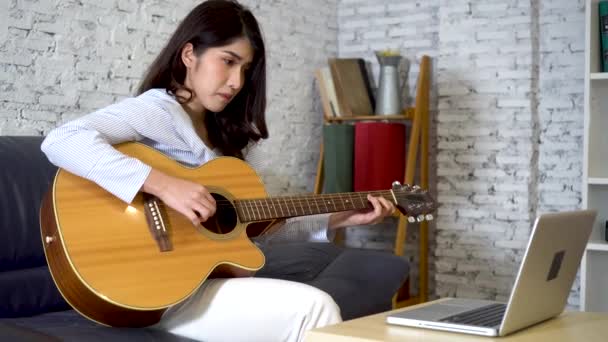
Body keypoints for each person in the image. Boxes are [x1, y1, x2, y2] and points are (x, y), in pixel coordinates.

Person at [41, 1, 401, 341]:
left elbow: (250, 234)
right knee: (314, 307)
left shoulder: (228, 145)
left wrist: (339, 219)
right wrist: (165, 186)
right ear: (189, 55)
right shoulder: (158, 110)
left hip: (199, 282)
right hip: (153, 286)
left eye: (245, 69)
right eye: (228, 61)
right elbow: (62, 140)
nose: (237, 82)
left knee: (314, 300)